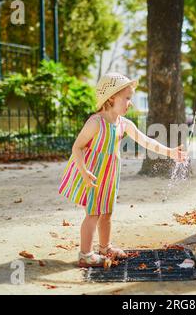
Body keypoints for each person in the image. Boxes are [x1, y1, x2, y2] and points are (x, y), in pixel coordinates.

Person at [58, 72, 188, 267]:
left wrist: (170, 152)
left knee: (107, 212)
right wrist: (84, 172)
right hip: (93, 173)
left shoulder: (123, 124)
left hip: (110, 174)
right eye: (127, 98)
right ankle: (85, 255)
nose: (130, 103)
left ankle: (105, 247)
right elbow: (77, 147)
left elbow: (146, 141)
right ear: (111, 97)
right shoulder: (96, 122)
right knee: (93, 213)